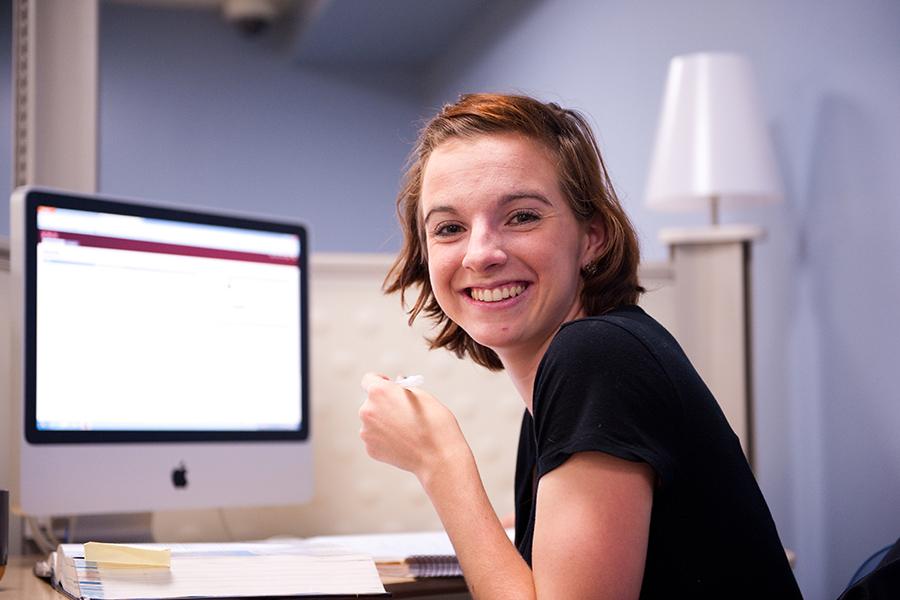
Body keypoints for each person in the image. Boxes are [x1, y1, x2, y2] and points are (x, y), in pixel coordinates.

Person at [358, 93, 801, 599]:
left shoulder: (595, 357)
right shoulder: (567, 378)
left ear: (592, 237)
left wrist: (441, 463)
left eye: (521, 216)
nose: (481, 254)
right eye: (450, 228)